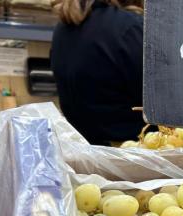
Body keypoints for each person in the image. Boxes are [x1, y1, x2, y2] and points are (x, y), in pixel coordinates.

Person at [51, 0, 144, 145]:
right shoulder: (129, 27)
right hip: (131, 154)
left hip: (86, 153)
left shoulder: (62, 29)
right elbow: (164, 102)